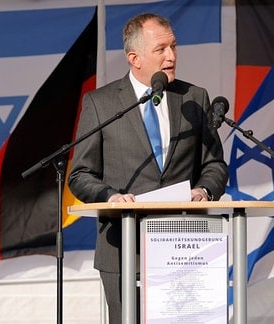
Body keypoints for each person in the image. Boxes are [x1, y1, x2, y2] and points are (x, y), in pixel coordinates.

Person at [67, 13, 228, 323]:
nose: (171, 56)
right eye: (161, 49)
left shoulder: (194, 98)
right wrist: (110, 197)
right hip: (124, 246)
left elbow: (214, 164)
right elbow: (81, 174)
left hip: (185, 244)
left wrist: (205, 190)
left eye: (174, 47)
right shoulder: (102, 104)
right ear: (134, 58)